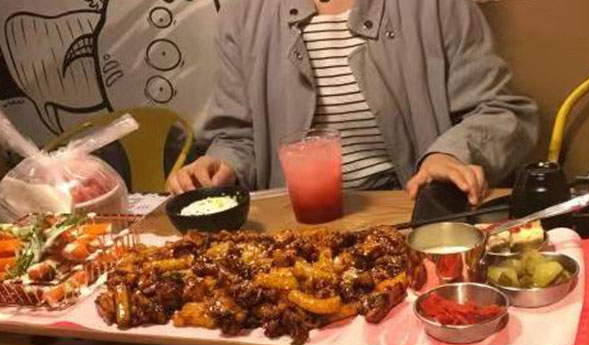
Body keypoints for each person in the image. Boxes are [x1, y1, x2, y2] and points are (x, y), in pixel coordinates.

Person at [167, 0, 538, 205]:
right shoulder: (243, 12)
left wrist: (450, 154)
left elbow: (502, 111)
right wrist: (222, 164)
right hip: (298, 228)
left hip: (411, 212)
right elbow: (238, 137)